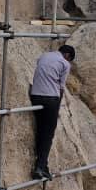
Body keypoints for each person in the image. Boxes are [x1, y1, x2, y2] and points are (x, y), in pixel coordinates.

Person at [29, 44, 76, 180]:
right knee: (48, 133)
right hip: (51, 99)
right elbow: (61, 88)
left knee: (40, 130)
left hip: (35, 96)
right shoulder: (64, 64)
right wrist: (58, 105)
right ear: (67, 55)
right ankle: (39, 168)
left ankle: (44, 165)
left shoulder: (43, 56)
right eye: (69, 59)